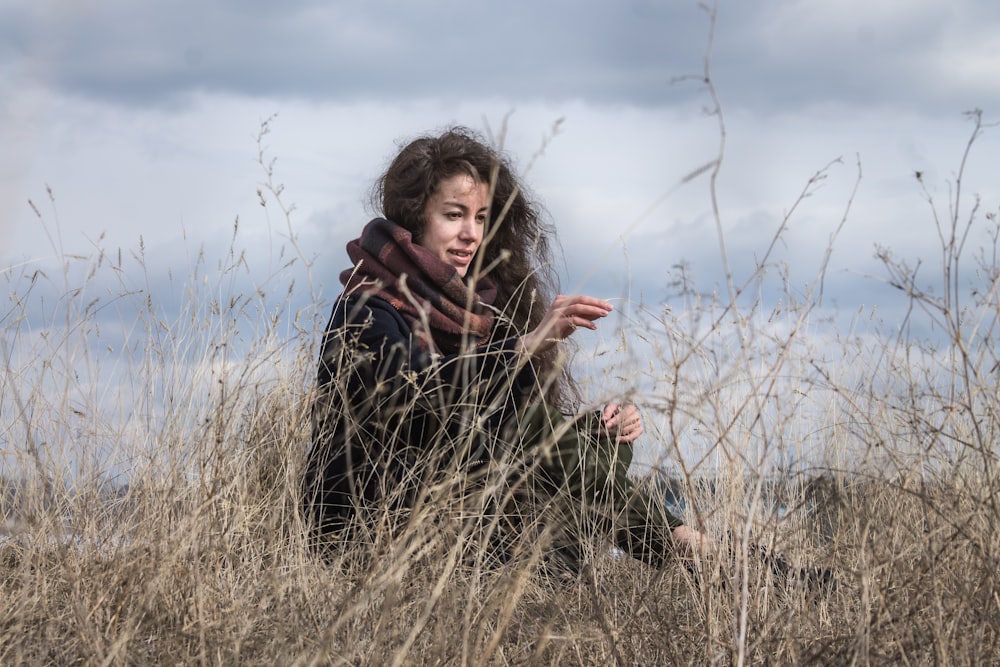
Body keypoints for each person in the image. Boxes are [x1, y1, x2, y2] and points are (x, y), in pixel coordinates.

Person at [302, 127, 706, 570]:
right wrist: (521, 350)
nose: (470, 234)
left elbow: (496, 423)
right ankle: (685, 546)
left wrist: (599, 427)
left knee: (604, 454)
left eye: (480, 218)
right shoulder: (368, 309)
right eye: (454, 215)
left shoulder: (474, 309)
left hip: (458, 511)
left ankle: (565, 570)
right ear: (416, 218)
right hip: (371, 526)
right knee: (543, 442)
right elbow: (417, 401)